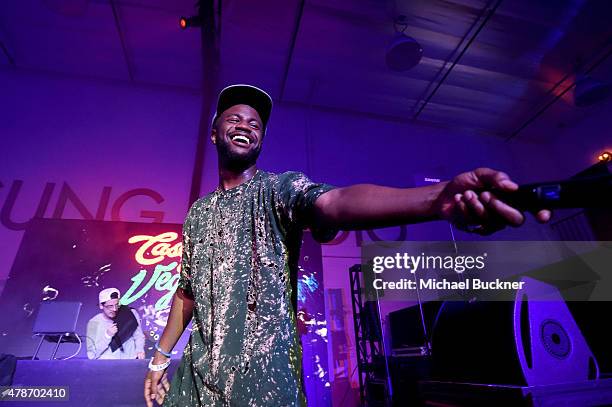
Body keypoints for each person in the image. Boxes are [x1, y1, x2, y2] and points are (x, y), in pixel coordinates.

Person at [144, 84, 551, 406]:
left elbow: (334, 202)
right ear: (215, 131)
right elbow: (187, 293)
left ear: (261, 140)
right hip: (194, 387)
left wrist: (436, 199)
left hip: (262, 390)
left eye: (255, 123)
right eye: (234, 118)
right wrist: (159, 359)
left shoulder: (277, 190)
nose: (245, 125)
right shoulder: (199, 213)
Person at [86, 287, 145, 359]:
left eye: (116, 305)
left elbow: (138, 335)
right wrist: (107, 336)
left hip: (130, 362)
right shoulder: (93, 323)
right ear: (101, 306)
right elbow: (91, 355)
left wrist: (140, 350)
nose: (114, 309)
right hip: (107, 366)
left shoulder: (129, 313)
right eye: (110, 306)